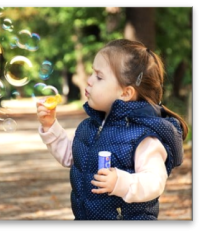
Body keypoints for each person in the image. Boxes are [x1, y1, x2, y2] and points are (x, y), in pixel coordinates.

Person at [36, 38, 189, 220]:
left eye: (99, 77)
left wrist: (121, 182)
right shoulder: (90, 126)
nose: (90, 80)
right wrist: (50, 125)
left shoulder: (143, 136)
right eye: (92, 73)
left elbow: (155, 181)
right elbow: (72, 156)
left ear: (125, 93)